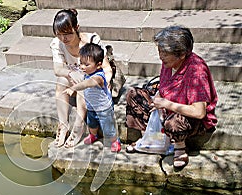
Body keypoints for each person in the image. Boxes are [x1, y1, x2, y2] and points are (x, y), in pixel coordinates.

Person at [125, 25, 218, 170]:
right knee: (134, 95)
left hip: (189, 118)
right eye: (160, 52)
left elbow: (199, 112)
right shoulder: (168, 63)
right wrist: (158, 99)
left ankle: (179, 147)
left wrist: (167, 104)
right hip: (166, 106)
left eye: (164, 53)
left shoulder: (196, 71)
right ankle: (148, 139)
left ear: (181, 54)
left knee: (174, 123)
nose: (161, 57)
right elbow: (163, 86)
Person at [50, 9, 113, 148]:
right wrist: (71, 74)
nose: (63, 38)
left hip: (95, 79)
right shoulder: (57, 44)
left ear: (76, 28)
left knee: (83, 84)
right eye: (59, 34)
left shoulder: (91, 40)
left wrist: (105, 82)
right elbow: (58, 69)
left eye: (67, 34)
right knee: (61, 80)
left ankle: (78, 126)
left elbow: (106, 68)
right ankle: (63, 125)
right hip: (73, 78)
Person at [64, 43, 121, 152]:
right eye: (81, 63)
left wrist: (74, 88)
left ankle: (115, 140)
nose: (82, 67)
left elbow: (87, 83)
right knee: (92, 124)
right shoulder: (87, 72)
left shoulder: (99, 77)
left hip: (104, 108)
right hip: (91, 107)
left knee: (108, 127)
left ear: (99, 65)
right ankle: (93, 135)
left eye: (86, 64)